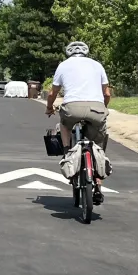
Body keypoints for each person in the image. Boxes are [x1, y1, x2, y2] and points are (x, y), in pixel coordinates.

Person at [46, 41, 111, 205]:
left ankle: (68, 152)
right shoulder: (97, 65)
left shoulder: (63, 66)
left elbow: (53, 92)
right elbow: (107, 93)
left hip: (72, 108)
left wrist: (49, 108)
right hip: (96, 108)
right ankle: (98, 183)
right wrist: (102, 109)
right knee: (98, 140)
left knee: (64, 124)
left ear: (69, 53)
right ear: (86, 52)